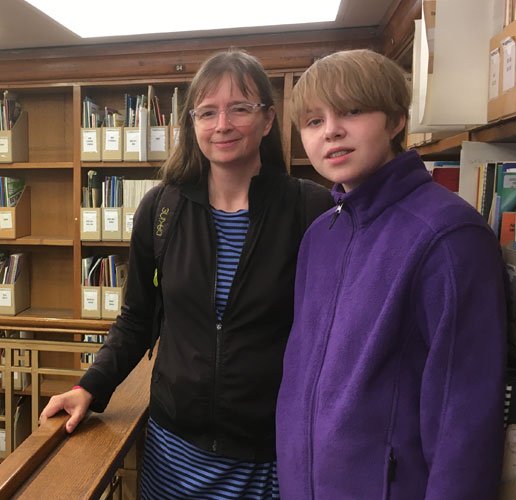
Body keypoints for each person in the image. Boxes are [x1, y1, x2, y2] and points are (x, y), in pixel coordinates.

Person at [40, 49, 333, 498]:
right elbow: (137, 319)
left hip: (268, 457)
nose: (222, 125)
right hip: (173, 453)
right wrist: (90, 386)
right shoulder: (161, 208)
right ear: (191, 124)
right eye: (208, 112)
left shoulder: (311, 209)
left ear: (269, 119)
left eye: (240, 108)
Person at [276, 49, 507, 499]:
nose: (332, 132)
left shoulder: (449, 235)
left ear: (397, 119)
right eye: (313, 121)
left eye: (352, 110)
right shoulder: (321, 234)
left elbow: (465, 418)